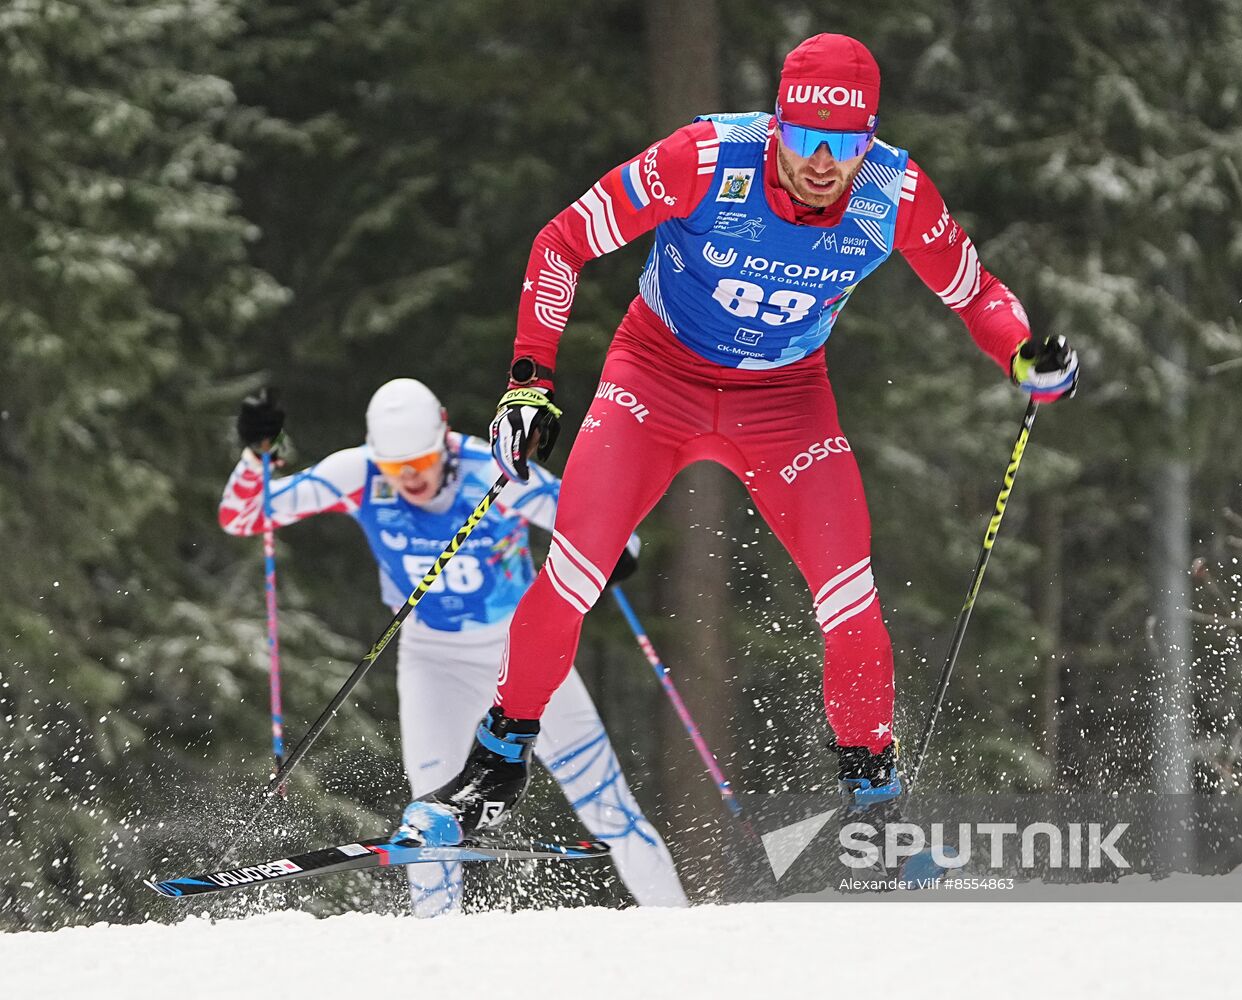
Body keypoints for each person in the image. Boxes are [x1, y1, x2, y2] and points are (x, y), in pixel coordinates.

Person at [395, 33, 1079, 847]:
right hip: (655, 377)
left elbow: (976, 292)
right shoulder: (707, 158)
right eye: (805, 139)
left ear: (870, 141)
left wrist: (1021, 352)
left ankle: (875, 800)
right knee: (574, 569)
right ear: (778, 124)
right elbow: (561, 242)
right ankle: (496, 764)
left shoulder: (891, 193)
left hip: (786, 402)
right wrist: (529, 380)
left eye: (846, 145)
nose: (823, 163)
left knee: (849, 596)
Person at [219, 378, 687, 915]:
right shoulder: (359, 473)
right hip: (431, 661)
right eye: (396, 469)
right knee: (429, 823)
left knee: (609, 807)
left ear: (443, 437)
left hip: (523, 657)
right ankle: (436, 956)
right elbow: (246, 515)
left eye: (419, 461)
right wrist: (256, 454)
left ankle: (679, 928)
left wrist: (613, 550)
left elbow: (599, 522)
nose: (410, 478)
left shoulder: (495, 470)